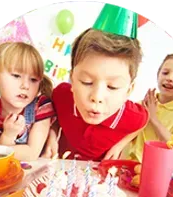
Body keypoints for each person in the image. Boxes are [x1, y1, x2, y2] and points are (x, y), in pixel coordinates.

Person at [42, 3, 149, 162]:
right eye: (86, 82)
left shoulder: (133, 116)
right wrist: (52, 133)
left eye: (112, 86)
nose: (97, 97)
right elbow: (56, 115)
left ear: (128, 90)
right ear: (72, 79)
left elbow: (143, 121)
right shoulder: (61, 95)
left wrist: (120, 145)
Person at [121, 53, 173, 163]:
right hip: (130, 168)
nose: (169, 78)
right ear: (158, 75)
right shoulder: (142, 105)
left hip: (159, 172)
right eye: (165, 73)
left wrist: (153, 118)